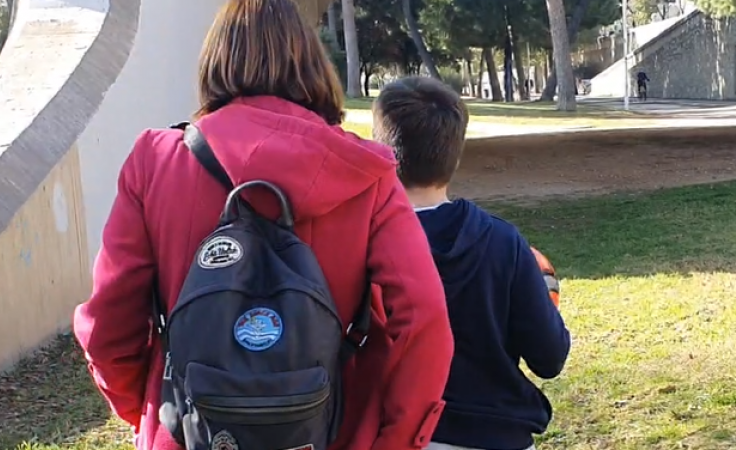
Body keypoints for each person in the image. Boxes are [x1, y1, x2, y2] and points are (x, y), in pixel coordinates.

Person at [72, 1, 454, 450]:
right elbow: (424, 317)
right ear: (312, 63)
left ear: (217, 59)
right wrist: (395, 439)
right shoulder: (366, 174)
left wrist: (152, 406)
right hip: (329, 430)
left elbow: (108, 324)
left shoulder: (156, 162)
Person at [372, 76, 571, 450]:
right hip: (495, 434)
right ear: (456, 152)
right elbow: (550, 357)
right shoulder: (504, 243)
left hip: (395, 432)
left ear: (382, 150)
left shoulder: (365, 243)